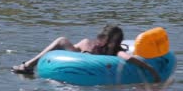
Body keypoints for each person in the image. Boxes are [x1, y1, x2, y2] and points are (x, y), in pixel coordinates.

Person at [11, 25, 161, 82]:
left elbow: (130, 59)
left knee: (84, 45)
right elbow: (75, 52)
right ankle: (29, 65)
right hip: (79, 58)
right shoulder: (95, 45)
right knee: (63, 40)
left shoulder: (117, 53)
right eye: (102, 38)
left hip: (92, 66)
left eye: (106, 40)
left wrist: (152, 70)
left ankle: (28, 67)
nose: (101, 41)